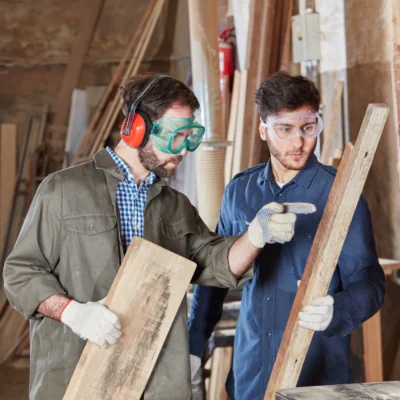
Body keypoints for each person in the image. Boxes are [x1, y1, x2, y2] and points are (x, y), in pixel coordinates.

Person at [3, 74, 315, 400]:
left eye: (189, 137)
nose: (182, 151)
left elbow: (216, 263)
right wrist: (72, 312)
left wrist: (256, 235)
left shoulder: (174, 205)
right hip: (78, 378)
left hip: (155, 385)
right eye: (174, 136)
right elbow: (20, 274)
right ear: (135, 128)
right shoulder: (64, 190)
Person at [188, 72, 385, 400]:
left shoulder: (340, 193)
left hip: (318, 376)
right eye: (286, 129)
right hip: (251, 374)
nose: (299, 142)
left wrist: (337, 307)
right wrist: (195, 345)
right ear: (264, 129)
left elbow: (371, 282)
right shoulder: (240, 191)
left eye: (308, 128)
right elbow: (214, 277)